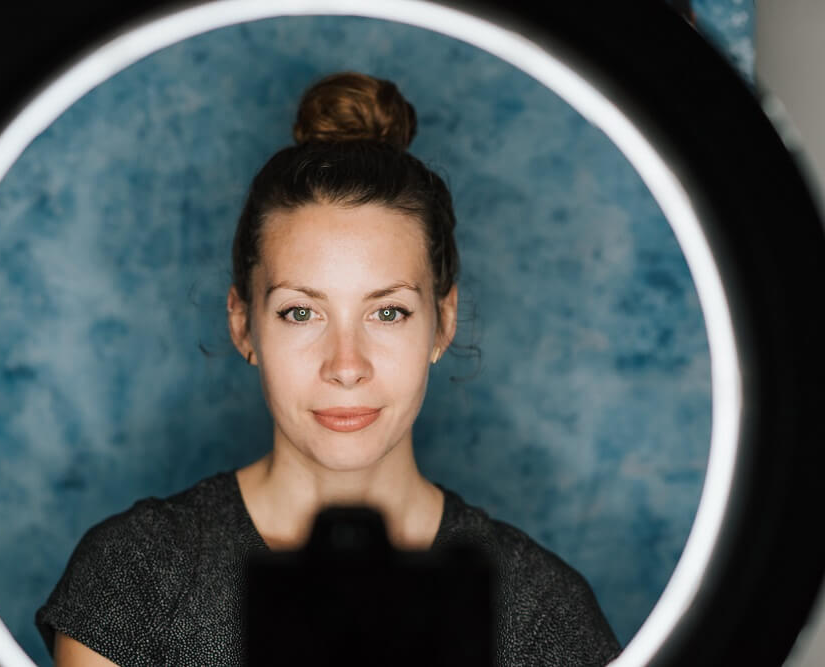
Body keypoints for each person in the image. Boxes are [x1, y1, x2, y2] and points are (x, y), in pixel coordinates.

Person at [35, 71, 622, 666]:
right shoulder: (137, 576)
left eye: (388, 311)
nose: (347, 366)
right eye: (300, 312)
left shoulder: (542, 610)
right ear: (243, 325)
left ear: (443, 324)